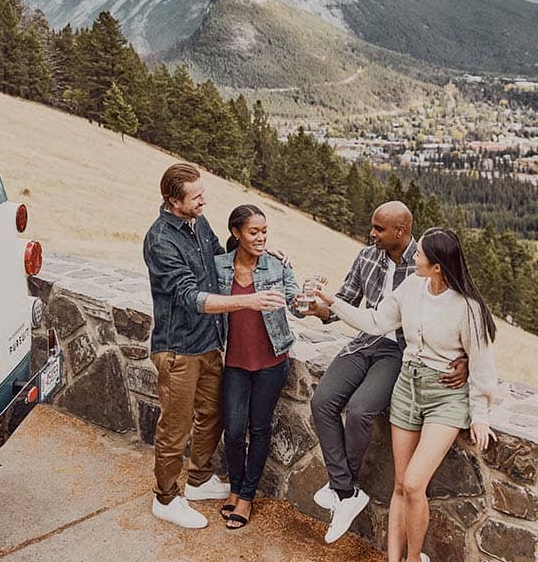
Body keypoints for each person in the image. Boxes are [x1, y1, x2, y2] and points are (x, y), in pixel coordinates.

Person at [314, 227, 497, 562]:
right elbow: (374, 321)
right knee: (400, 485)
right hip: (407, 390)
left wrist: (481, 413)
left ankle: (414, 558)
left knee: (414, 484)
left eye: (420, 254)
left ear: (438, 265)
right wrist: (333, 302)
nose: (414, 256)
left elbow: (483, 362)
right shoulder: (412, 285)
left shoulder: (467, 308)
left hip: (445, 395)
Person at [143, 163, 286, 530]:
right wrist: (248, 301)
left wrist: (266, 255)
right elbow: (190, 297)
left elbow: (221, 257)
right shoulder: (161, 241)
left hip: (208, 343)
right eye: (197, 196)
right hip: (177, 348)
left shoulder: (198, 222)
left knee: (214, 415)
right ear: (174, 201)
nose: (204, 200)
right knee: (175, 428)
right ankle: (166, 498)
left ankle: (199, 479)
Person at [214, 205, 303, 530]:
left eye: (265, 231)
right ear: (236, 233)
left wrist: (307, 300)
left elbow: (296, 303)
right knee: (234, 431)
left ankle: (246, 497)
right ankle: (235, 487)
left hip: (272, 360)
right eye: (254, 232)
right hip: (235, 363)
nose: (261, 237)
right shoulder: (219, 266)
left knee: (259, 428)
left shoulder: (277, 265)